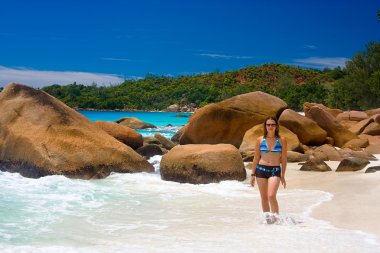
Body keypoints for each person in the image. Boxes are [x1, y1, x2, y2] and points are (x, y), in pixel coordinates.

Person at [250, 116, 287, 219]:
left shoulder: (282, 140)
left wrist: (283, 175)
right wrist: (252, 174)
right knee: (264, 198)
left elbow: (284, 158)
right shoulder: (260, 140)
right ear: (265, 126)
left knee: (271, 195)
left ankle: (276, 219)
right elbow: (256, 157)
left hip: (275, 170)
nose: (270, 126)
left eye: (272, 124)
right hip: (261, 170)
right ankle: (267, 220)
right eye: (268, 124)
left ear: (276, 126)